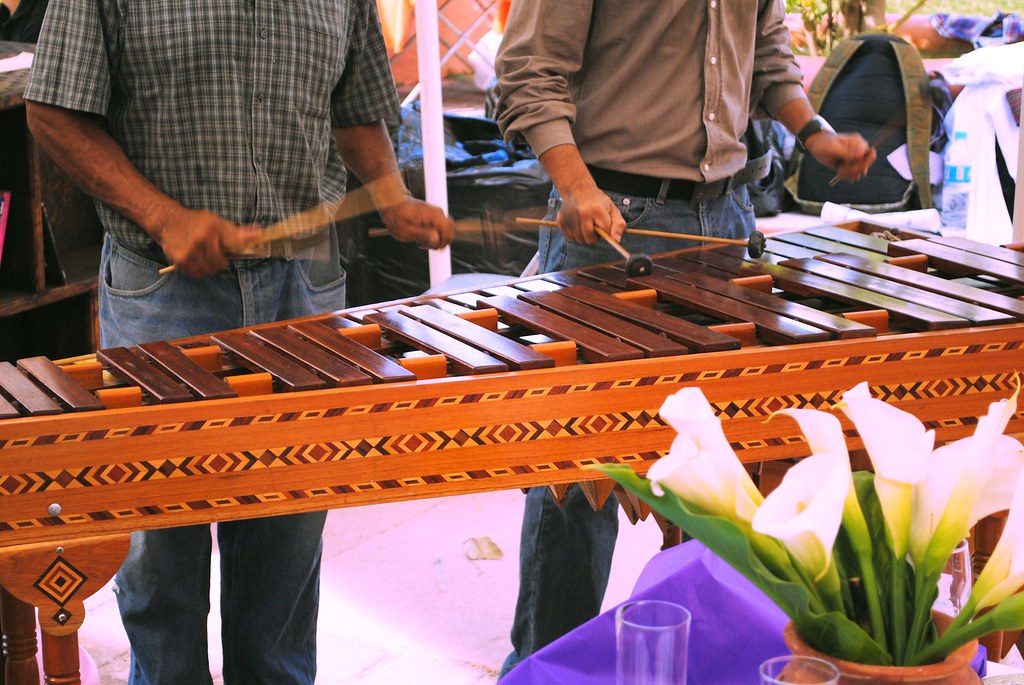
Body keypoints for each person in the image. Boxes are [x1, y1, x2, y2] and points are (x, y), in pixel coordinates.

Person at [23, 2, 454, 684]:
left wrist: (391, 196)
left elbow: (356, 109)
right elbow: (52, 111)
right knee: (161, 556)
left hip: (304, 286)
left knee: (286, 544)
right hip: (163, 289)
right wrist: (163, 216)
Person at [493, 0, 876, 677]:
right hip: (611, 219)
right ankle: (548, 669)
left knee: (730, 462)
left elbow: (767, 51)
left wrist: (813, 132)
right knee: (580, 474)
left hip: (727, 217)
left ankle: (707, 660)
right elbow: (529, 71)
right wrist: (575, 185)